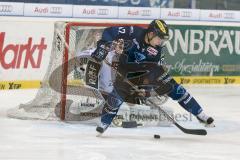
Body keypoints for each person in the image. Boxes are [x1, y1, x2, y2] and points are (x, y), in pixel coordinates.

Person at [91, 19, 215, 135]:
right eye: (159, 38)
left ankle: (200, 113)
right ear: (150, 34)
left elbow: (153, 72)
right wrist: (103, 46)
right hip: (125, 70)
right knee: (117, 96)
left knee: (175, 88)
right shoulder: (133, 32)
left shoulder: (156, 51)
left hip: (145, 71)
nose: (160, 42)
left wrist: (148, 90)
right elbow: (108, 32)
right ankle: (104, 122)